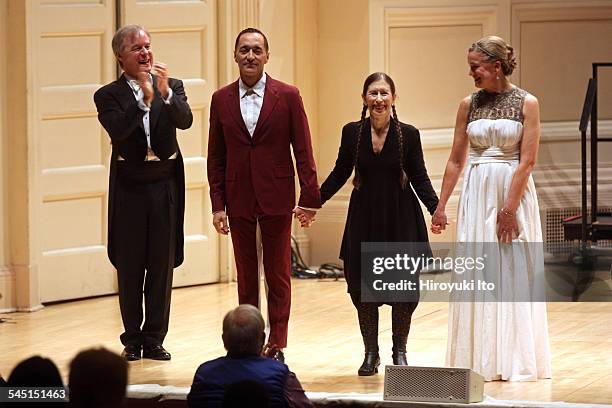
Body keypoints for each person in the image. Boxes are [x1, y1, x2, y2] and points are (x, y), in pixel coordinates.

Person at [431, 35, 552, 381]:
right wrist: (441, 206)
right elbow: (456, 159)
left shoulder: (528, 103)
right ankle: (479, 359)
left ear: (496, 66)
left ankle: (513, 359)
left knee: (510, 270)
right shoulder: (467, 104)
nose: (471, 73)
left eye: (475, 67)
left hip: (512, 193)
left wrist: (509, 209)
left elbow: (527, 161)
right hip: (477, 193)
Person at [207, 28, 320, 362]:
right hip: (237, 195)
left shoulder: (287, 95)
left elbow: (303, 149)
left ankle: (278, 343)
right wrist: (217, 205)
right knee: (245, 274)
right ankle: (249, 343)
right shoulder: (221, 98)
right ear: (235, 55)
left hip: (277, 194)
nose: (250, 56)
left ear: (267, 56)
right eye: (244, 50)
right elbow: (216, 157)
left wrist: (310, 198)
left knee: (278, 273)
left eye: (257, 50)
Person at [319, 72, 438, 376]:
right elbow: (340, 172)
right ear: (364, 99)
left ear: (393, 99)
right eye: (373, 93)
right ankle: (371, 353)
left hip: (400, 218)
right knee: (362, 288)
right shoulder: (352, 132)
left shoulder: (408, 134)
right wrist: (313, 200)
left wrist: (436, 209)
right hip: (365, 217)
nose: (379, 99)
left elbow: (420, 176)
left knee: (402, 289)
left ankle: (399, 352)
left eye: (384, 93)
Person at [94, 25, 193, 361]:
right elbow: (118, 129)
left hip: (164, 181)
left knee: (161, 264)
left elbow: (186, 121)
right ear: (121, 56)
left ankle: (154, 338)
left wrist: (163, 92)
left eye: (148, 46)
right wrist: (142, 103)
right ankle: (132, 339)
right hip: (130, 185)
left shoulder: (173, 86)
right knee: (131, 264)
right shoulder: (107, 95)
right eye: (137, 48)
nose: (145, 53)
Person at [187, 304, 313, 408]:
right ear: (263, 339)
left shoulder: (204, 373)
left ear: (224, 340)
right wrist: (269, 366)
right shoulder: (280, 373)